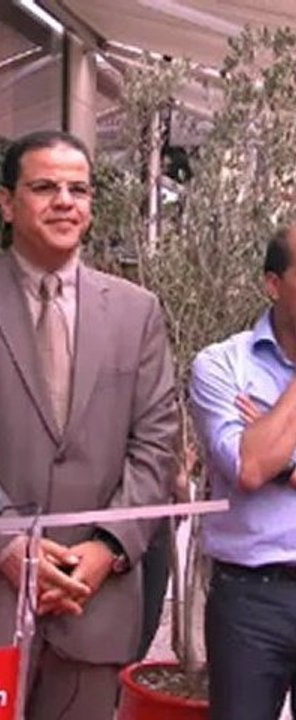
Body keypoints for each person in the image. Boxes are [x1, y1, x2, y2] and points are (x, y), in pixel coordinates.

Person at [0, 130, 178, 720]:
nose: (64, 201)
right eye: (45, 187)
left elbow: (157, 444)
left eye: (78, 189)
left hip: (93, 602)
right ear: (7, 202)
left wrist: (107, 549)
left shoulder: (137, 312)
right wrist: (6, 546)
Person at [189, 225, 296, 720]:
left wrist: (284, 459)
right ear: (272, 284)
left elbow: (266, 460)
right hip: (252, 599)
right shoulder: (220, 366)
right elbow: (248, 467)